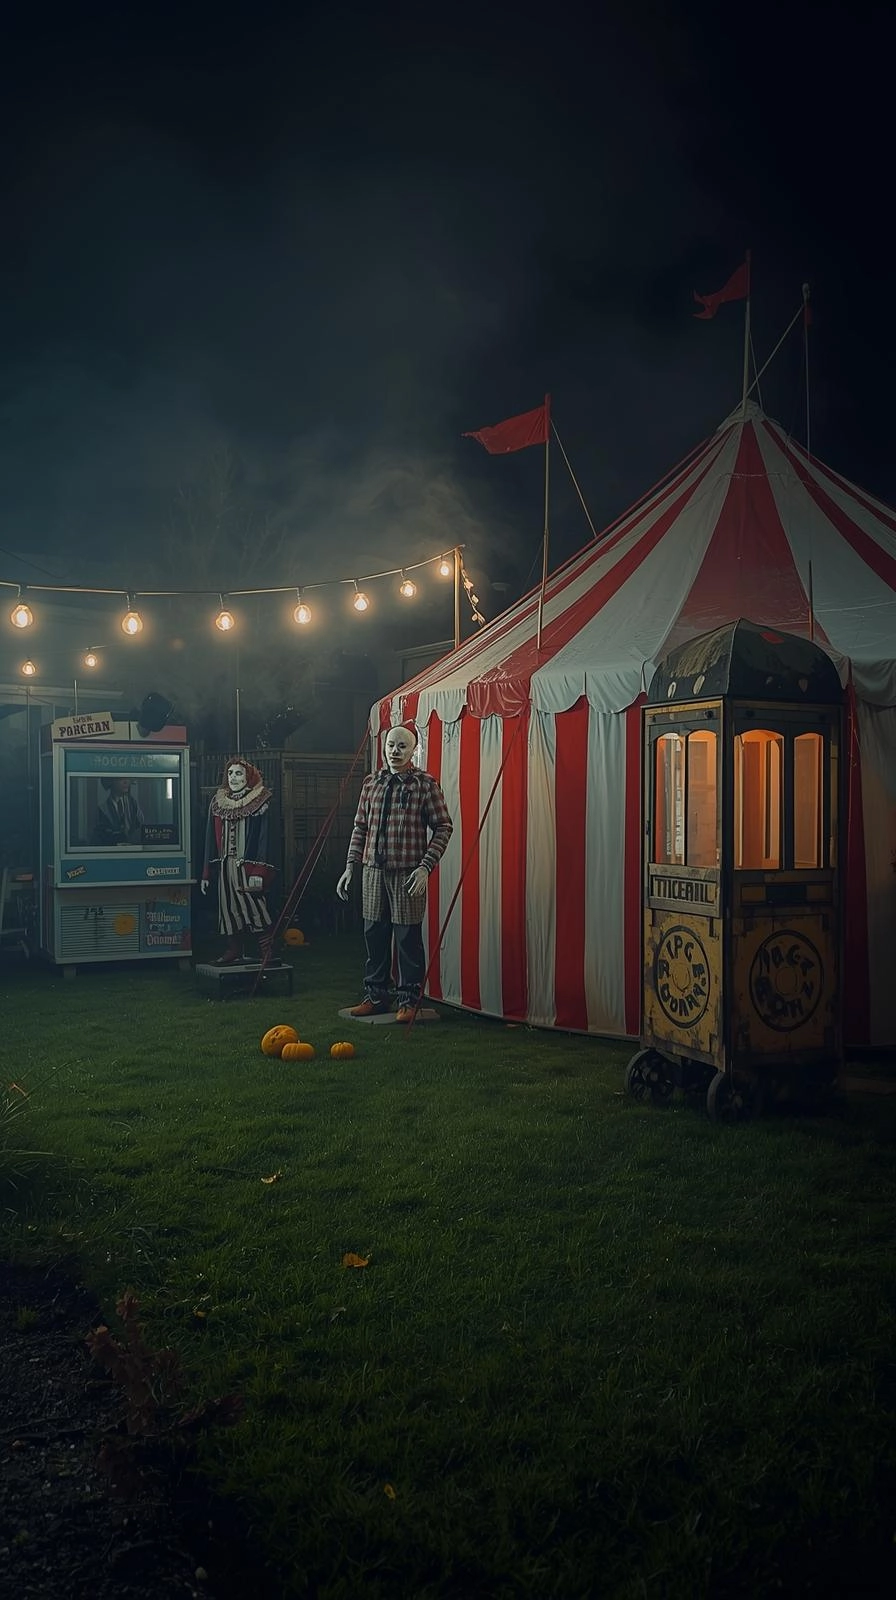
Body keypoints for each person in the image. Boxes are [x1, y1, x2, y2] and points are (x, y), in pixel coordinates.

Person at [336, 724, 453, 1021]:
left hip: (407, 874)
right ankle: (376, 996)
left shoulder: (425, 784)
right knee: (374, 935)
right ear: (384, 747)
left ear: (413, 750)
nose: (395, 751)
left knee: (407, 938)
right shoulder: (371, 783)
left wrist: (425, 867)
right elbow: (360, 827)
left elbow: (443, 827)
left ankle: (409, 1001)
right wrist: (350, 865)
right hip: (373, 871)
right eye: (391, 745)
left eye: (402, 746)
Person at [201, 757, 275, 965]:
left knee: (255, 906)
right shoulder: (218, 802)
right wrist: (206, 872)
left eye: (238, 773)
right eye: (230, 773)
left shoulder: (260, 801)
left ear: (248, 777)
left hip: (248, 865)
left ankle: (267, 951)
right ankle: (233, 949)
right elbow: (209, 839)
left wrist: (259, 870)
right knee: (228, 908)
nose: (233, 777)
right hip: (225, 865)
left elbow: (265, 838)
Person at [93, 777, 144, 846]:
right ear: (111, 781)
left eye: (127, 778)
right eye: (121, 779)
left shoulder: (133, 804)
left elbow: (141, 828)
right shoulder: (102, 810)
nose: (126, 782)